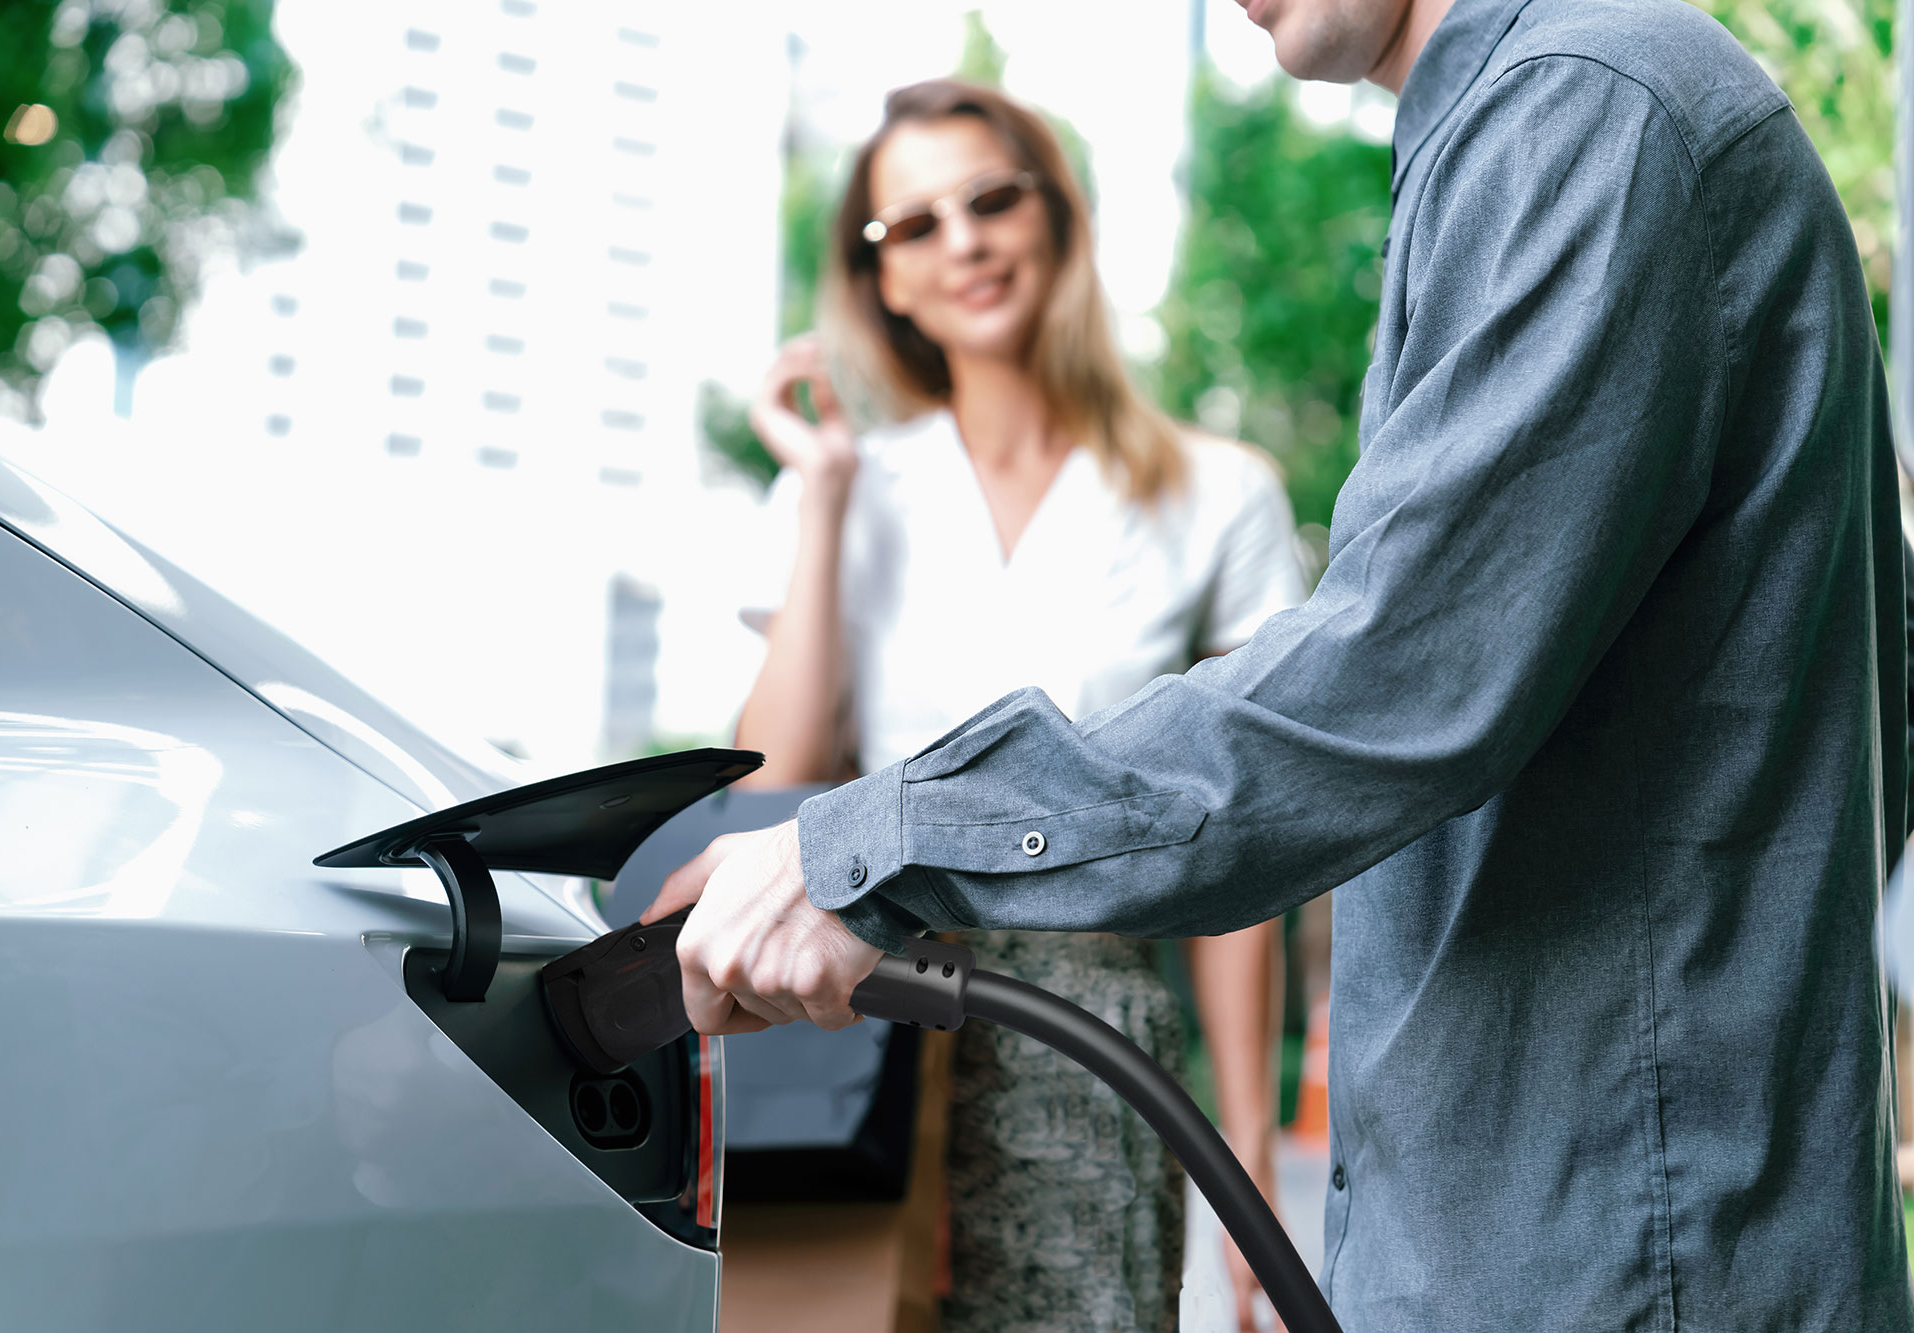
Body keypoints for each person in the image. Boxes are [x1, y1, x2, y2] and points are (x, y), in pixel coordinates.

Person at [649, 0, 1914, 1325]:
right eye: (911, 226)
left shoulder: (1590, 114)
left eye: (990, 201)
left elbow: (1382, 689)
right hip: (1543, 1208)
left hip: (1617, 1241)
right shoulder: (1519, 138)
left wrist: (888, 840)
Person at [729, 78, 1306, 1331]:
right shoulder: (848, 490)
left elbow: (1236, 843)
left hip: (1091, 1031)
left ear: (1055, 216)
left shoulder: (1217, 495)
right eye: (914, 226)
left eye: (991, 199)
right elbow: (773, 775)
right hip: (855, 1024)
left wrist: (1247, 1145)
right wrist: (823, 494)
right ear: (880, 280)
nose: (966, 242)